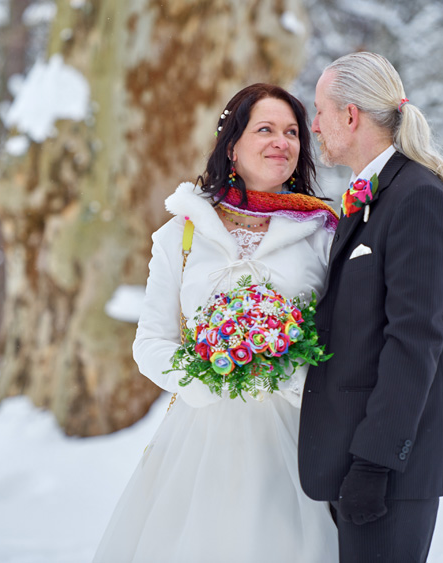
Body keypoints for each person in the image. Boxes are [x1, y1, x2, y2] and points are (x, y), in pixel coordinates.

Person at [92, 83, 340, 563]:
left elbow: (344, 338)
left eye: (292, 132)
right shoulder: (180, 232)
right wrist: (201, 382)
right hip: (198, 441)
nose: (282, 142)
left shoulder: (323, 233)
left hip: (294, 437)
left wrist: (292, 374)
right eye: (264, 129)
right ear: (232, 145)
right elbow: (152, 342)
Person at [297, 52, 443, 562]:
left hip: (391, 470)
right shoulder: (376, 194)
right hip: (355, 457)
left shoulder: (419, 196)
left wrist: (374, 464)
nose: (314, 126)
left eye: (320, 111)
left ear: (350, 116)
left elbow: (416, 342)